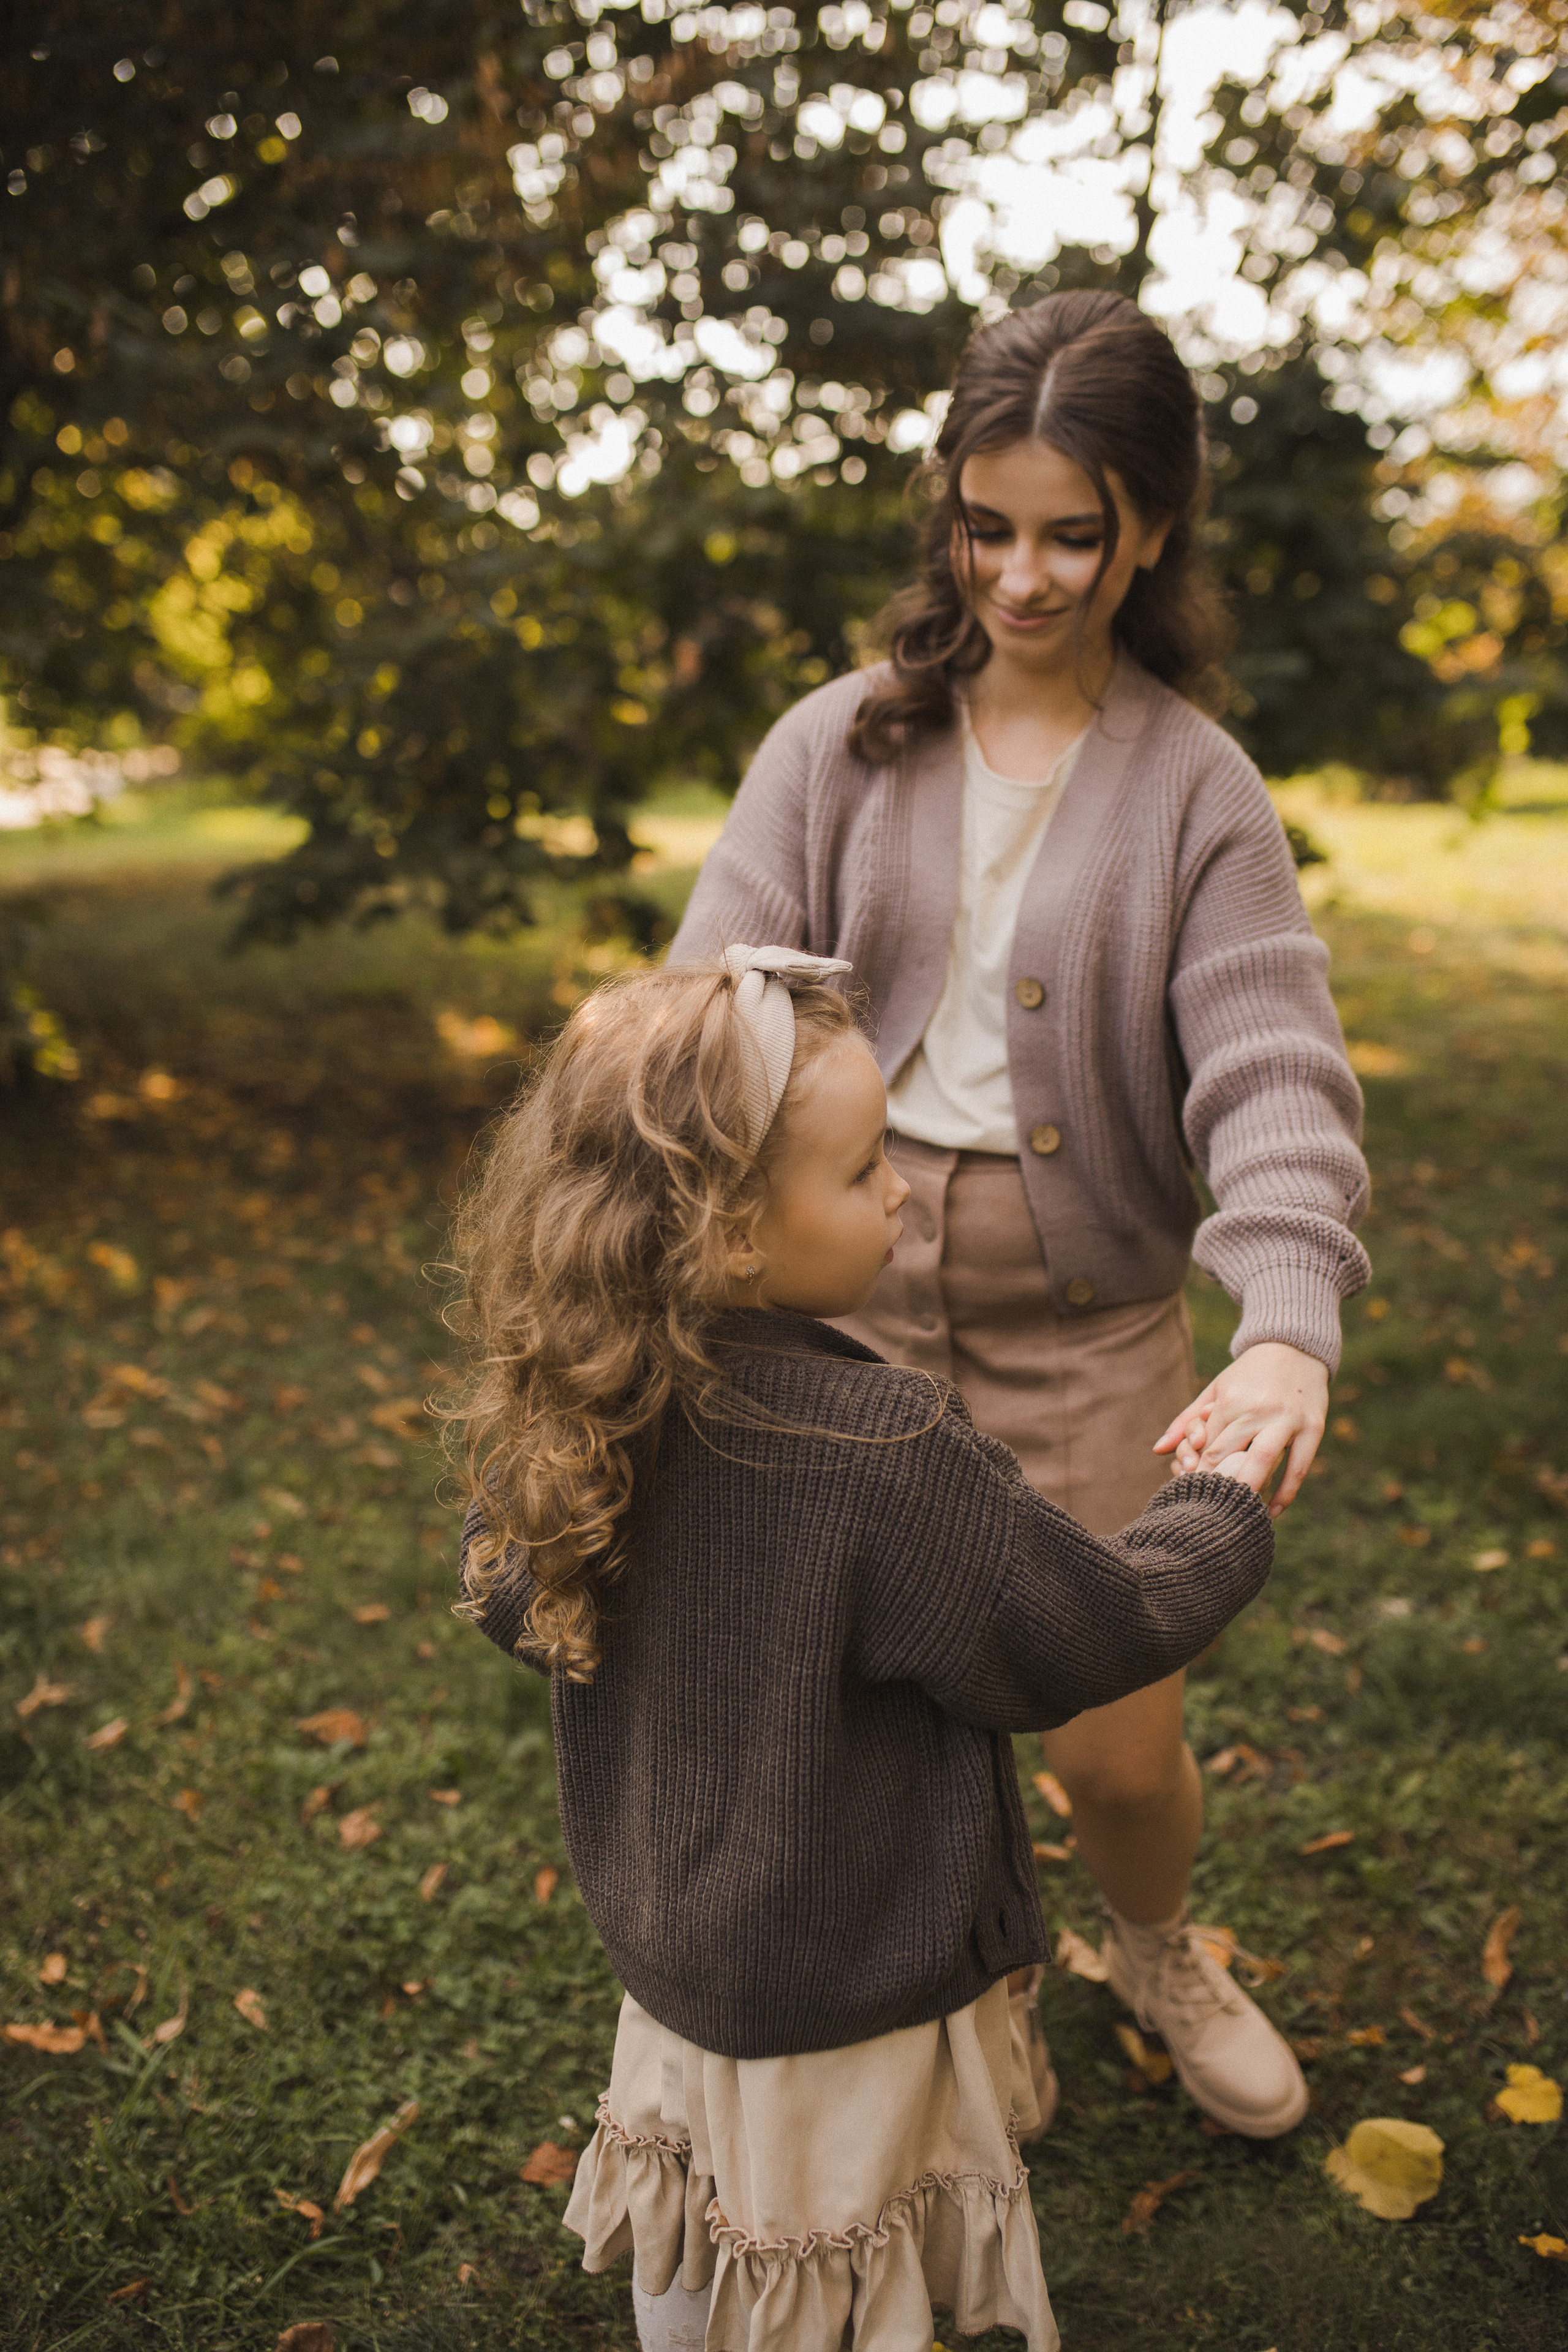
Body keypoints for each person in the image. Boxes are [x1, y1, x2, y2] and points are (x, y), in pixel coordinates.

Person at [669, 289, 1371, 2141]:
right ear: (948, 512)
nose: (1025, 576)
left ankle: (1150, 1949)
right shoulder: (837, 746)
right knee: (888, 1721)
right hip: (836, 1316)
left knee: (1116, 1745)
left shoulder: (1197, 788)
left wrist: (1286, 1323)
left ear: (1153, 527)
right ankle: (977, 1978)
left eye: (1074, 533)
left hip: (1093, 1337)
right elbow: (705, 1009)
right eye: (989, 528)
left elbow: (1271, 1073)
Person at [451, 948, 1276, 2352]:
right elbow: (1087, 1634)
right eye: (860, 1169)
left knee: (706, 2202)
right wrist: (1220, 1503)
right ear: (730, 1236)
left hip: (679, 1947)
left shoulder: (587, 1404)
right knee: (826, 2253)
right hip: (848, 1965)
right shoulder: (882, 1454)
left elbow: (506, 1596)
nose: (903, 1190)